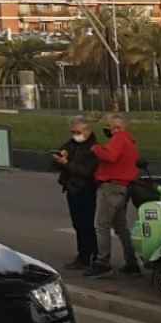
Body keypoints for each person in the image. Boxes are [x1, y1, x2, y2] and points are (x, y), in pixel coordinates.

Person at [87, 112, 141, 277]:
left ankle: (103, 263)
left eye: (109, 126)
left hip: (111, 186)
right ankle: (131, 262)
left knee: (101, 225)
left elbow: (110, 156)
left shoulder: (119, 139)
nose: (107, 130)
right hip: (124, 187)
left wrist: (96, 148)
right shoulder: (131, 142)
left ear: (116, 127)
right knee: (121, 227)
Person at [53, 116, 99, 270]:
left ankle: (89, 255)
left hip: (85, 188)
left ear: (87, 130)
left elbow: (86, 172)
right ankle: (84, 254)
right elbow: (56, 161)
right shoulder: (71, 144)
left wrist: (67, 163)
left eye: (77, 132)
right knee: (78, 224)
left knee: (86, 224)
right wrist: (60, 158)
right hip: (72, 187)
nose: (75, 135)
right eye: (73, 132)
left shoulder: (93, 148)